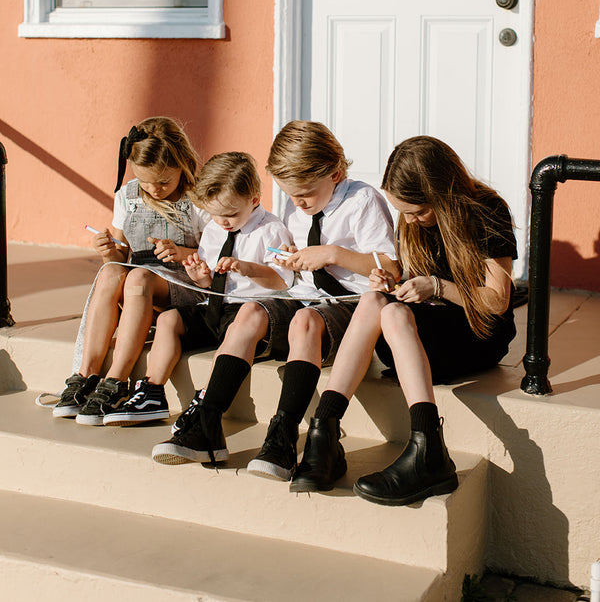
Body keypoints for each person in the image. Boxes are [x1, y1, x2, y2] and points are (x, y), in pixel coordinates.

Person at [151, 120, 396, 473]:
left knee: (305, 320)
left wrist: (332, 254)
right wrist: (287, 259)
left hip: (346, 306)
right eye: (289, 194)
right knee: (250, 311)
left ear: (336, 173)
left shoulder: (362, 200)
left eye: (306, 193)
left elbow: (390, 264)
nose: (297, 202)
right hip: (301, 295)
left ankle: (282, 435)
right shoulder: (295, 209)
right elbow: (288, 273)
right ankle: (207, 423)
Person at [291, 135, 518, 505]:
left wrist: (436, 287)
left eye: (418, 211)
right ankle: (325, 433)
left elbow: (496, 301)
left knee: (393, 312)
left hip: (476, 333)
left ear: (442, 192)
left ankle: (428, 448)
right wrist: (391, 281)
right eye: (404, 212)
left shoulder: (486, 210)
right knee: (375, 299)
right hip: (423, 331)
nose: (410, 219)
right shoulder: (413, 220)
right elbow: (410, 280)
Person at [104, 151, 294, 426]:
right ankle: (152, 391)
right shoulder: (217, 229)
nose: (223, 222)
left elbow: (282, 280)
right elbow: (207, 283)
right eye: (216, 215)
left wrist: (247, 268)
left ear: (254, 199)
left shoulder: (271, 229)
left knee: (238, 325)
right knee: (169, 318)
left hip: (247, 314)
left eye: (230, 214)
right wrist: (199, 276)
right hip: (215, 307)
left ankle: (206, 395)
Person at [52, 117, 210, 425]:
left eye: (164, 182)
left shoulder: (198, 198)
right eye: (146, 180)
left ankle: (116, 379)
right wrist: (110, 252)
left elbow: (216, 256)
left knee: (137, 278)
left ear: (183, 164)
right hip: (140, 282)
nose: (154, 188)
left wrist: (183, 252)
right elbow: (123, 251)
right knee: (111, 272)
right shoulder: (129, 195)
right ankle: (85, 375)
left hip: (185, 280)